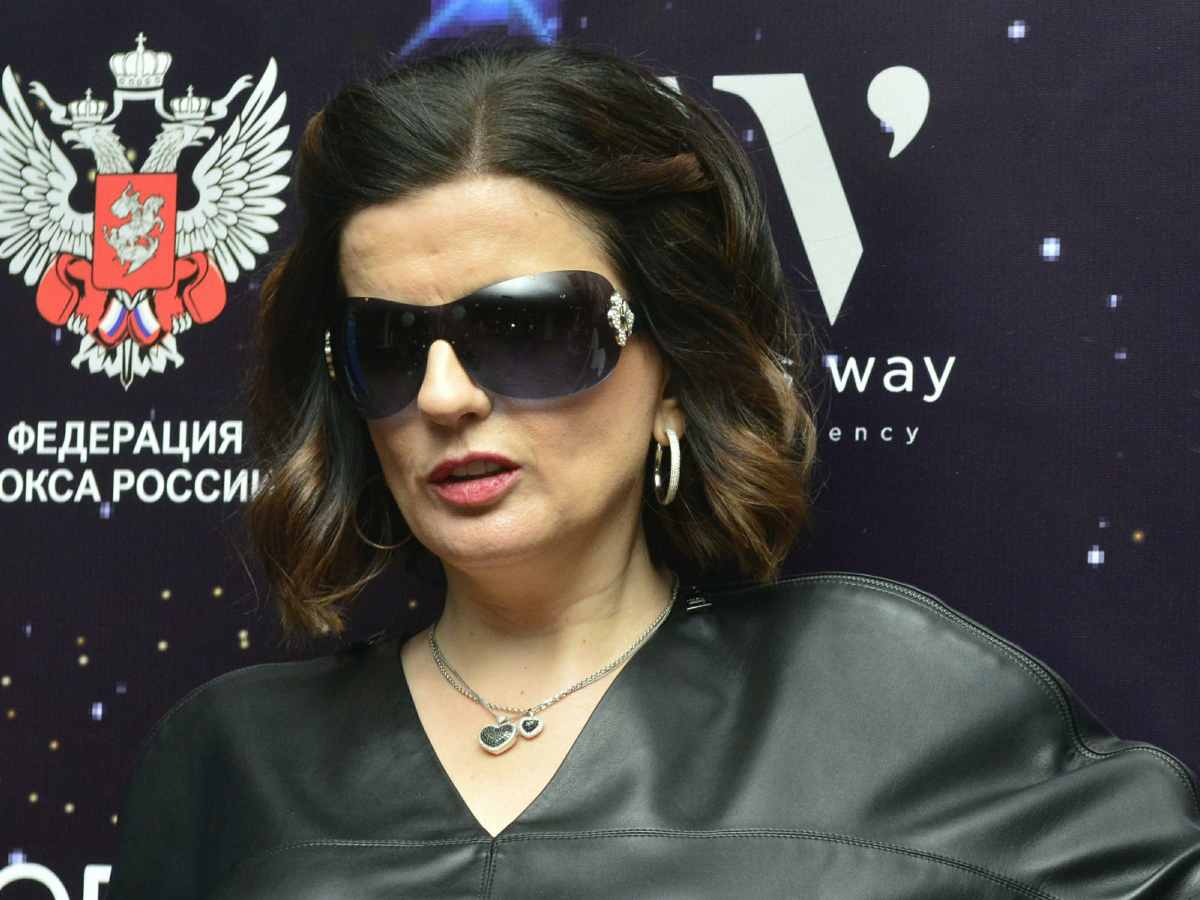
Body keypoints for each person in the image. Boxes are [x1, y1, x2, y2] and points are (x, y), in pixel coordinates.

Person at [107, 37, 1200, 898]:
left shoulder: (891, 701)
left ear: (672, 365)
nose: (444, 396)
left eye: (526, 328)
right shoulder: (228, 761)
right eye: (389, 343)